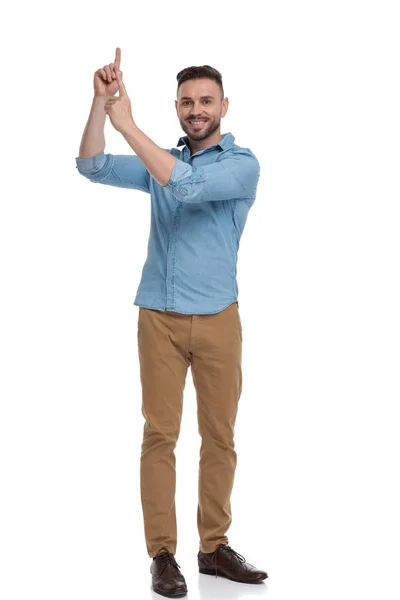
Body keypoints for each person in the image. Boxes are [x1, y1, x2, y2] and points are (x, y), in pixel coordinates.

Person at [76, 47, 268, 598]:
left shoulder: (242, 164)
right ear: (177, 108)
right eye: (186, 102)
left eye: (205, 100)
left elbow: (184, 185)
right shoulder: (160, 157)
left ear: (224, 106)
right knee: (159, 434)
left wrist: (128, 124)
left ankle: (213, 548)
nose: (195, 109)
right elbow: (91, 165)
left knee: (219, 437)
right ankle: (163, 553)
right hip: (157, 317)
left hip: (218, 320)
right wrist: (101, 106)